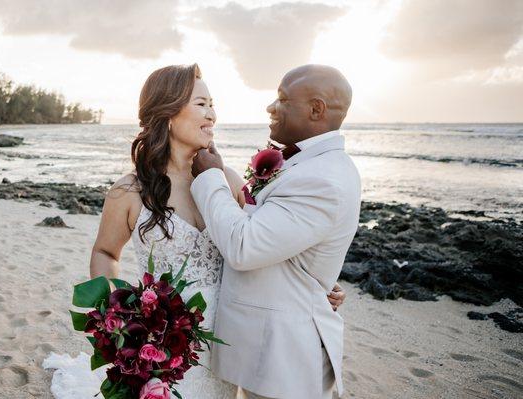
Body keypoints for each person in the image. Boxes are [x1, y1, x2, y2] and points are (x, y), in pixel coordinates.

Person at [44, 64, 346, 399]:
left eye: (212, 104)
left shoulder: (228, 181)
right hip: (159, 346)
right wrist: (117, 318)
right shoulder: (129, 191)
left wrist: (313, 284)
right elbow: (105, 253)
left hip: (229, 344)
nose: (212, 114)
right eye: (201, 104)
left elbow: (260, 243)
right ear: (168, 112)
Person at [190, 64, 360, 399]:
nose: (271, 107)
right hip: (263, 350)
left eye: (282, 99)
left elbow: (244, 247)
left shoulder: (322, 178)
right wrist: (311, 278)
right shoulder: (307, 166)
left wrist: (210, 177)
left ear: (316, 110)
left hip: (285, 361)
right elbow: (282, 236)